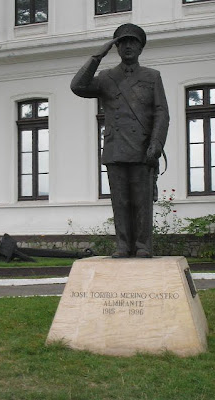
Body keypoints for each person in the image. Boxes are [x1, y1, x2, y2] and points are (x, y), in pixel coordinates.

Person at [71, 23, 169, 258]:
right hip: (115, 149)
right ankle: (123, 245)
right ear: (115, 48)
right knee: (121, 202)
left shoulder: (152, 77)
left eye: (132, 42)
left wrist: (156, 143)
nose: (127, 46)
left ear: (140, 48)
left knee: (142, 203)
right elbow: (78, 86)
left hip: (142, 149)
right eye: (122, 42)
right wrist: (97, 56)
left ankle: (143, 246)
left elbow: (161, 112)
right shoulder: (106, 77)